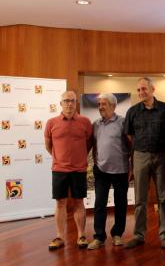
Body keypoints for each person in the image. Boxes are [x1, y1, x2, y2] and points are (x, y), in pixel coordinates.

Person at [123, 78, 165, 249]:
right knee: (140, 199)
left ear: (152, 89)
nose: (141, 92)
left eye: (144, 88)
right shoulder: (132, 111)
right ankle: (139, 235)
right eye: (138, 90)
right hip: (140, 156)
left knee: (164, 198)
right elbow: (128, 135)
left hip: (162, 156)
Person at [44, 90, 93, 250]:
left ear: (76, 103)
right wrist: (60, 158)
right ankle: (60, 237)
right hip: (59, 170)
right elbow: (48, 146)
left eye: (72, 100)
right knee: (60, 203)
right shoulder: (51, 123)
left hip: (79, 170)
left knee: (79, 202)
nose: (69, 104)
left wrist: (77, 158)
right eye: (66, 101)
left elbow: (89, 144)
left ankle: (81, 236)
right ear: (61, 104)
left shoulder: (85, 122)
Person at [87, 93, 130, 250]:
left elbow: (130, 145)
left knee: (120, 204)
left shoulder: (123, 123)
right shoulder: (96, 124)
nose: (100, 107)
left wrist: (130, 167)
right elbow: (94, 147)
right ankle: (99, 237)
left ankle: (117, 234)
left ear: (113, 106)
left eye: (104, 104)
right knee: (99, 204)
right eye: (99, 104)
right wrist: (96, 165)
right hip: (101, 171)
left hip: (121, 171)